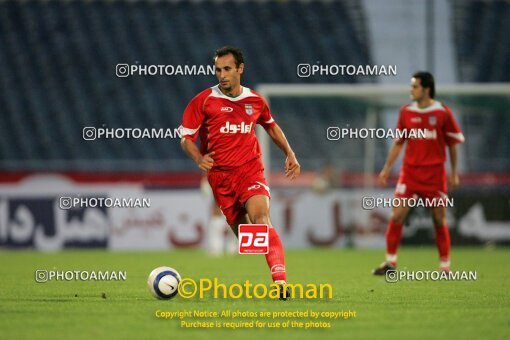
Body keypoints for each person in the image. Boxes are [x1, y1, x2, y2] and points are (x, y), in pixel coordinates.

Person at [180, 46, 301, 298]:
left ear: (240, 69)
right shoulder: (203, 100)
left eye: (227, 69)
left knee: (261, 219)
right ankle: (231, 246)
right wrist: (198, 157)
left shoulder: (255, 100)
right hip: (220, 177)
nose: (221, 75)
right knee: (249, 240)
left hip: (250, 170)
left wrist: (289, 153)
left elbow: (271, 126)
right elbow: (186, 138)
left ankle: (280, 283)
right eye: (217, 70)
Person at [373, 71, 464, 275]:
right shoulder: (406, 112)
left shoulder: (442, 113)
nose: (410, 90)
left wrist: (455, 172)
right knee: (397, 215)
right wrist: (387, 168)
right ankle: (390, 263)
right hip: (410, 174)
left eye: (414, 86)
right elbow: (398, 143)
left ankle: (444, 267)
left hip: (434, 175)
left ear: (426, 89)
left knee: (439, 219)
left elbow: (453, 144)